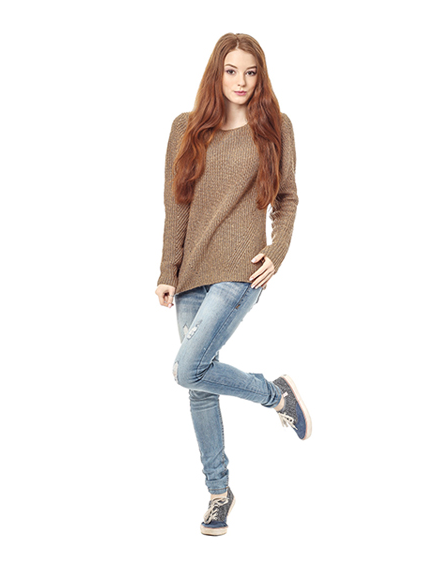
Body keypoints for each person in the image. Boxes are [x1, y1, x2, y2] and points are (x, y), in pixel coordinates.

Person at [155, 32, 312, 536]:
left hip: (242, 269)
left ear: (259, 76)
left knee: (188, 368)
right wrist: (167, 271)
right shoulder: (185, 128)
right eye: (231, 71)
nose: (241, 81)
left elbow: (287, 197)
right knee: (198, 385)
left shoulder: (275, 127)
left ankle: (273, 395)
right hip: (191, 274)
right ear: (216, 73)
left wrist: (277, 250)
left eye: (250, 72)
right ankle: (219, 494)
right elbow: (176, 205)